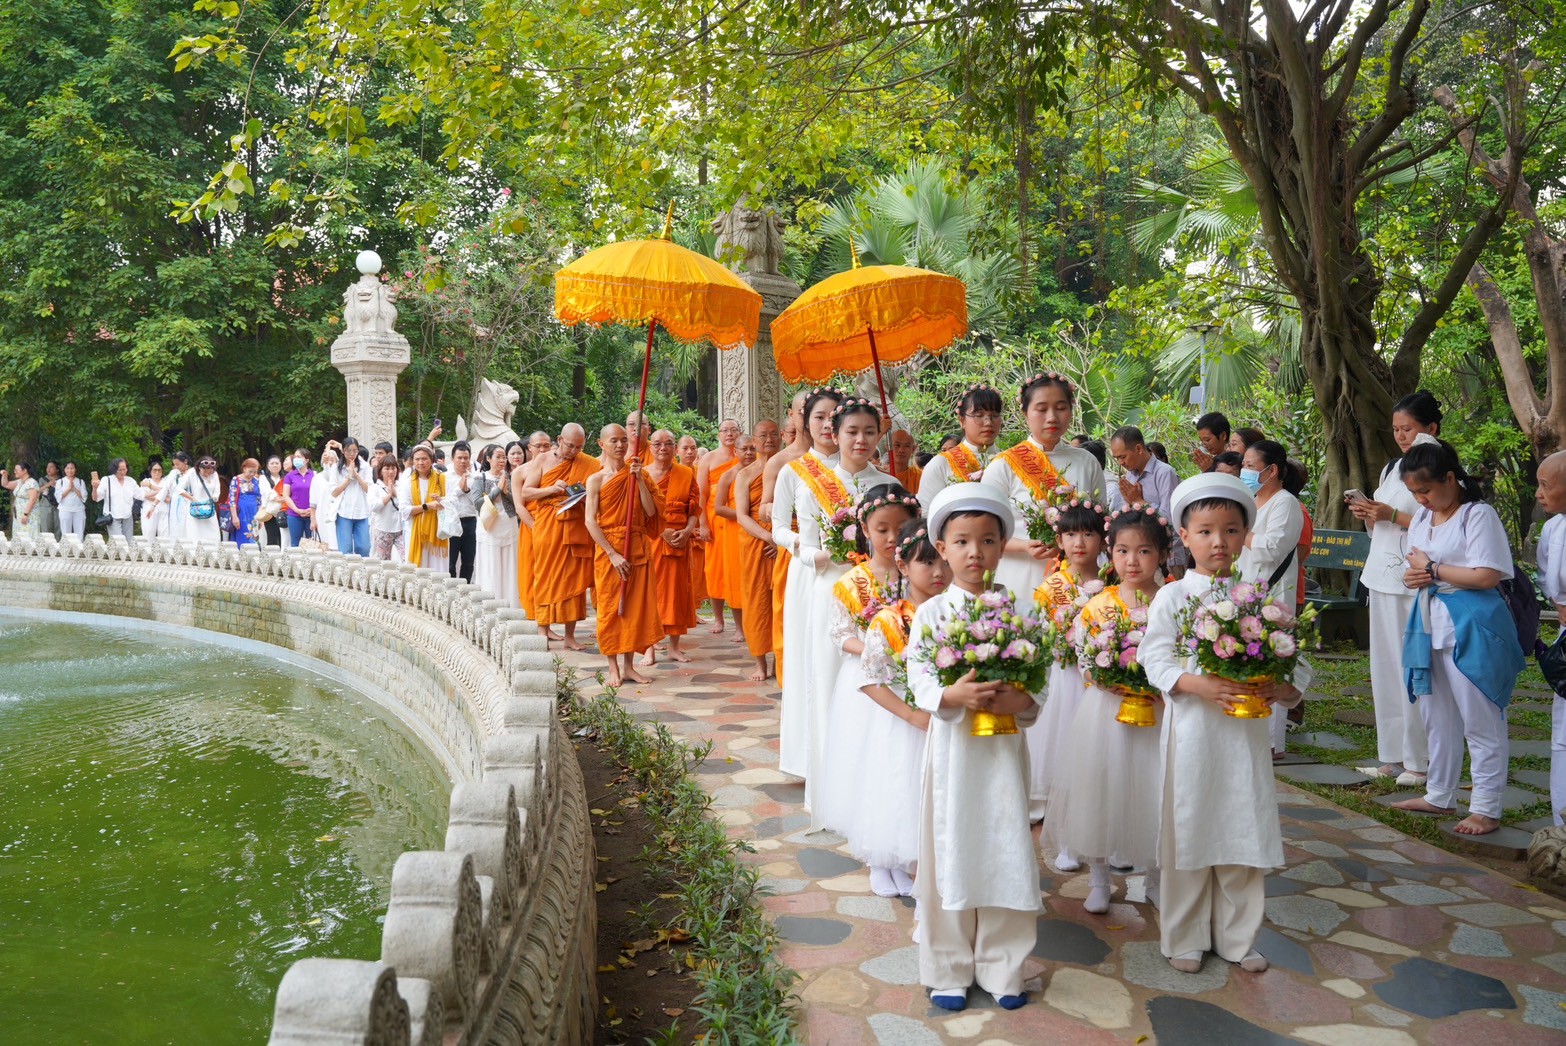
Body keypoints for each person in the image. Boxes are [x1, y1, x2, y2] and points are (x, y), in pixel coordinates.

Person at [1140, 472, 1306, 974]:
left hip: (1244, 738)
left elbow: (1294, 661)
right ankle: (1185, 935)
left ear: (1244, 536)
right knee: (1190, 826)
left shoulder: (1259, 598)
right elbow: (1155, 659)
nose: (1219, 541)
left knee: (1242, 826)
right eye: (1207, 531)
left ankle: (1237, 936)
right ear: (1184, 537)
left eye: (1231, 530)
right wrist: (1196, 685)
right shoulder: (1172, 597)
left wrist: (1283, 688)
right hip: (1193, 735)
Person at [905, 482, 1042, 1012]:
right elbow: (917, 672)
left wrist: (1022, 701)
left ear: (1002, 545)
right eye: (961, 541)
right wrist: (948, 693)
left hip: (1003, 752)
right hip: (954, 755)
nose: (974, 553)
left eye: (988, 541)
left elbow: (1039, 674)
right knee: (951, 848)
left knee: (1006, 846)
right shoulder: (931, 615)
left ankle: (1004, 964)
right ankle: (949, 965)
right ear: (941, 548)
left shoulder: (1021, 611)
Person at [1389, 440, 1524, 836]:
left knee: (1480, 717)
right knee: (1436, 714)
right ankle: (1439, 793)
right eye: (1414, 493)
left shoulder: (1476, 516)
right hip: (1429, 622)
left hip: (1474, 623)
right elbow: (1414, 569)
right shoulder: (1420, 519)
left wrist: (1431, 569)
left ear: (1450, 478)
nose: (1421, 500)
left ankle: (1486, 806)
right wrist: (1416, 575)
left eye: (1426, 491)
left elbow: (1486, 575)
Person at [1045, 504, 1169, 914]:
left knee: (1156, 791)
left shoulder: (1171, 602)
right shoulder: (1098, 603)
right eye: (1122, 551)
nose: (1132, 561)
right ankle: (1099, 879)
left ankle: (1155, 877)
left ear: (1163, 554)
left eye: (1144, 551)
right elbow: (1085, 659)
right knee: (1100, 790)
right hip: (1105, 713)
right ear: (1110, 553)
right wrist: (1115, 681)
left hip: (1158, 713)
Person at [829, 519, 944, 894]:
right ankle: (882, 860)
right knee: (894, 784)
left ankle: (916, 860)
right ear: (904, 566)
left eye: (943, 562)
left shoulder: (956, 615)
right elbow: (868, 678)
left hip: (941, 719)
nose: (938, 572)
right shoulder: (889, 619)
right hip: (900, 719)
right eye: (926, 563)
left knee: (927, 790)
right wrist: (910, 714)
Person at [817, 484, 920, 881]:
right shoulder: (850, 582)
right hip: (868, 685)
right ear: (864, 528)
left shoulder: (920, 573)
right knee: (870, 768)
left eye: (901, 528)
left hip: (911, 681)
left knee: (903, 770)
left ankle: (903, 851)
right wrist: (882, 650)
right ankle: (877, 858)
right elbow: (840, 635)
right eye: (882, 529)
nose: (893, 537)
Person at [1346, 392, 1440, 785]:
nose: (1402, 436)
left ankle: (1419, 760)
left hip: (1413, 578)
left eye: (1409, 428)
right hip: (1381, 574)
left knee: (1412, 667)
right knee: (1383, 667)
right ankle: (1392, 755)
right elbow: (1382, 524)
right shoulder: (1392, 467)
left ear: (1431, 428)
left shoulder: (1438, 462)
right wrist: (1371, 514)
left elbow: (1436, 517)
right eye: (1397, 429)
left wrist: (1393, 515)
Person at [769, 388, 862, 785]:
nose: (827, 425)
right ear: (804, 422)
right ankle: (812, 758)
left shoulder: (864, 472)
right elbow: (776, 527)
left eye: (833, 418)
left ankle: (856, 750)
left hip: (861, 576)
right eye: (819, 417)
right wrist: (804, 552)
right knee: (815, 660)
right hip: (813, 576)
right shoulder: (794, 470)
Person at [982, 372, 1106, 598]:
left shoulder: (1087, 462)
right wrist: (1023, 546)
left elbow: (1101, 524)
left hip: (1079, 580)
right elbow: (981, 533)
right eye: (1041, 409)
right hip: (1019, 577)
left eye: (1060, 408)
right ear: (1025, 413)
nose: (1052, 417)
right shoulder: (1002, 466)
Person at [1028, 501, 1109, 840]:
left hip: (1100, 680)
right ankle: (1048, 803)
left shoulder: (1113, 582)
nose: (1079, 543)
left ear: (1103, 540)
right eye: (1071, 534)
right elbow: (1039, 633)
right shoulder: (1051, 586)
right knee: (1059, 739)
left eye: (1088, 534)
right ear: (1059, 541)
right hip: (1064, 676)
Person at [1237, 439, 1305, 758]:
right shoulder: (1251, 501)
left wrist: (1240, 533)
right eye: (1244, 464)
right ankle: (1251, 733)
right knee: (1249, 661)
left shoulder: (1285, 503)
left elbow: (1273, 548)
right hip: (1244, 594)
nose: (1244, 471)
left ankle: (1273, 743)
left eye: (1250, 466)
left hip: (1273, 597)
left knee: (1273, 665)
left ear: (1272, 470)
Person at [584, 424, 665, 687]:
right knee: (610, 608)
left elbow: (651, 512)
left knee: (633, 609)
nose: (619, 445)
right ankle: (612, 668)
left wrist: (639, 479)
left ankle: (629, 667)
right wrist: (612, 554)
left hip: (637, 547)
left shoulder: (637, 474)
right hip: (610, 551)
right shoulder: (595, 479)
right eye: (613, 441)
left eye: (623, 440)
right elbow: (590, 522)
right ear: (601, 444)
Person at [520, 423, 600, 649]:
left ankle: (570, 636)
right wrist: (552, 489)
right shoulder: (543, 460)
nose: (574, 451)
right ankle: (542, 629)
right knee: (546, 577)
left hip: (575, 525)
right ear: (560, 440)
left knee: (573, 580)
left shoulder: (589, 463)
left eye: (579, 447)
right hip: (548, 524)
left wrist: (584, 496)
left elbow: (597, 493)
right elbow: (527, 492)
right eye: (570, 446)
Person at [762, 392, 813, 680]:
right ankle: (791, 677)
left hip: (833, 550)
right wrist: (783, 508)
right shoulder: (781, 461)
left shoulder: (839, 457)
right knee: (791, 617)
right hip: (794, 548)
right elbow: (763, 508)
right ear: (792, 416)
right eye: (803, 411)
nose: (808, 417)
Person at [642, 429, 700, 664]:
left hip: (680, 540)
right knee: (649, 593)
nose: (662, 448)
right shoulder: (642, 475)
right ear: (651, 448)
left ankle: (674, 647)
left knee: (677, 592)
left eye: (668, 444)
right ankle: (649, 647)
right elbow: (638, 512)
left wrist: (687, 532)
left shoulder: (686, 473)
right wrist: (662, 531)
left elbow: (694, 509)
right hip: (652, 540)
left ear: (675, 448)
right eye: (657, 444)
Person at [733, 421, 782, 681]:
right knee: (756, 602)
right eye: (763, 435)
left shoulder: (791, 468)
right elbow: (742, 515)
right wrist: (768, 537)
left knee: (781, 601)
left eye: (774, 434)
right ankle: (760, 663)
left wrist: (782, 539)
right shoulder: (745, 474)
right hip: (756, 542)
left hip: (784, 542)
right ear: (755, 439)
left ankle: (779, 659)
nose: (769, 440)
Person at [1533, 449, 1566, 827]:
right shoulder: (1553, 528)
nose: (1539, 493)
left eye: (1546, 485)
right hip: (1564, 630)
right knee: (1562, 729)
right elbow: (1545, 574)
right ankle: (1561, 820)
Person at [917, 384, 1002, 509]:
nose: (988, 422)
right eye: (978, 416)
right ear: (962, 421)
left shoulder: (1009, 461)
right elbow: (926, 513)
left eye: (994, 416)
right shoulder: (940, 464)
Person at [697, 419, 743, 634]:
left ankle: (740, 624)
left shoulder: (746, 456)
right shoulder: (709, 458)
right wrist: (703, 522)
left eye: (734, 430)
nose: (729, 434)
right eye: (725, 430)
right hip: (715, 519)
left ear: (740, 432)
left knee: (736, 569)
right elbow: (701, 493)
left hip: (737, 519)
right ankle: (718, 619)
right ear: (718, 434)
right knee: (715, 570)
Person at [713, 434, 758, 642]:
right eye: (744, 449)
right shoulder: (728, 475)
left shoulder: (763, 472)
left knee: (755, 579)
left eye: (752, 448)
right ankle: (739, 627)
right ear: (736, 452)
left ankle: (756, 625)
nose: (749, 453)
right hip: (734, 531)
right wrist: (743, 514)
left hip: (757, 529)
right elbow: (719, 507)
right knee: (736, 579)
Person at [472, 443, 520, 608]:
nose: (502, 460)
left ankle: (511, 605)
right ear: (488, 458)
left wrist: (506, 491)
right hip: (489, 526)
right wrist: (497, 490)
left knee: (510, 565)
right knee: (490, 565)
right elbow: (477, 504)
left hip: (509, 524)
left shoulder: (511, 476)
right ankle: (490, 605)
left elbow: (519, 503)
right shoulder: (479, 478)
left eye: (503, 457)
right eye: (498, 457)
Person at [512, 432, 552, 617]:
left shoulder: (554, 468)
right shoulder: (520, 471)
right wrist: (536, 527)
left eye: (547, 445)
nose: (543, 449)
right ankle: (532, 618)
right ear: (529, 448)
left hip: (553, 526)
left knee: (549, 574)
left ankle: (547, 621)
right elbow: (519, 506)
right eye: (539, 446)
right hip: (531, 526)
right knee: (530, 573)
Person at [399, 445, 449, 572]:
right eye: (417, 459)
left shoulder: (442, 479)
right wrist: (427, 506)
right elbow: (404, 510)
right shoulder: (407, 482)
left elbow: (452, 502)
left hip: (437, 532)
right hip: (415, 531)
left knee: (437, 571)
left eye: (424, 459)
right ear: (413, 461)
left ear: (432, 460)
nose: (420, 462)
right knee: (417, 571)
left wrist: (441, 501)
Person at [330, 437, 374, 556]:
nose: (352, 454)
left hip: (362, 512)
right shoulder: (336, 468)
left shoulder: (365, 466)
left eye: (355, 451)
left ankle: (363, 572)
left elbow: (369, 489)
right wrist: (349, 477)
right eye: (348, 451)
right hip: (343, 512)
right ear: (343, 451)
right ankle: (347, 573)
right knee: (346, 548)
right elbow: (334, 492)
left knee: (364, 547)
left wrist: (357, 475)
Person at [442, 441, 479, 581]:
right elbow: (444, 500)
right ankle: (451, 591)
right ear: (453, 459)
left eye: (466, 458)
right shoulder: (444, 477)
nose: (463, 461)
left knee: (468, 562)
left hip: (470, 521)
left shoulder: (475, 477)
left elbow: (477, 502)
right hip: (451, 521)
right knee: (450, 562)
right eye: (460, 458)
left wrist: (467, 490)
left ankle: (466, 591)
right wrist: (459, 490)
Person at [178, 455, 224, 544]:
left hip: (209, 508)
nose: (207, 473)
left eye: (210, 471)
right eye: (205, 470)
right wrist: (192, 498)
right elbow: (179, 489)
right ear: (199, 467)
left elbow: (217, 491)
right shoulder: (192, 473)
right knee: (195, 534)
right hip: (195, 508)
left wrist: (213, 498)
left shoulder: (214, 474)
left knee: (212, 533)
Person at [92, 458, 141, 541]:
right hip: (113, 516)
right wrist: (94, 488)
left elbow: (141, 495)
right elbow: (96, 498)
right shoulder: (107, 480)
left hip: (127, 516)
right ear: (114, 469)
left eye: (124, 469)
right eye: (120, 470)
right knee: (118, 543)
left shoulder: (130, 481)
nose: (122, 472)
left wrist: (157, 492)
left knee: (129, 542)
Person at [370, 457, 405, 561]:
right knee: (384, 562)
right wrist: (389, 495)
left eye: (393, 468)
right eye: (387, 468)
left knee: (405, 558)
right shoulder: (375, 488)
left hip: (401, 530)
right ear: (380, 471)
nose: (390, 471)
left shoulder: (401, 486)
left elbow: (406, 505)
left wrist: (396, 493)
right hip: (383, 530)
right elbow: (374, 507)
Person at [280, 449, 315, 548]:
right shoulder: (289, 476)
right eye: (295, 457)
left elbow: (318, 496)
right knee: (295, 544)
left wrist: (311, 510)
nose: (296, 459)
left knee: (312, 544)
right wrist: (297, 510)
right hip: (294, 515)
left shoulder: (314, 475)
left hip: (311, 515)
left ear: (307, 460)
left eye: (299, 457)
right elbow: (286, 495)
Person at [229, 459, 267, 547]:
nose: (252, 474)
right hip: (241, 513)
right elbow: (232, 500)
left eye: (255, 472)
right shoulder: (236, 480)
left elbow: (259, 500)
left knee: (255, 535)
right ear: (244, 468)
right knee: (242, 534)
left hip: (254, 513)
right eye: (250, 471)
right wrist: (234, 517)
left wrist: (261, 519)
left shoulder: (256, 481)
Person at [310, 446, 343, 550]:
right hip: (322, 515)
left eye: (332, 460)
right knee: (324, 543)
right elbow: (313, 501)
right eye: (327, 460)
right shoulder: (317, 478)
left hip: (339, 514)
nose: (329, 462)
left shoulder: (341, 477)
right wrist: (313, 519)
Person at [160, 453, 192, 542]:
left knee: (187, 526)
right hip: (175, 504)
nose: (176, 466)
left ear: (185, 462)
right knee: (176, 526)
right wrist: (154, 504)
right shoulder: (174, 473)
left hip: (188, 502)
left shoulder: (192, 473)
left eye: (178, 464)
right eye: (174, 464)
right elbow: (164, 488)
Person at [3, 463, 40, 538]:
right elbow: (5, 484)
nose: (14, 472)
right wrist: (4, 475)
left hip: (29, 515)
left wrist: (26, 514)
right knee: (19, 535)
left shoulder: (32, 482)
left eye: (16, 470)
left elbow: (32, 499)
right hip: (18, 514)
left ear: (25, 471)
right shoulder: (19, 482)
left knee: (29, 535)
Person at [55, 461, 87, 540]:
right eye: (68, 468)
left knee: (79, 532)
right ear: (64, 470)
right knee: (65, 532)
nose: (70, 470)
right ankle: (66, 550)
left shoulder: (80, 481)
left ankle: (79, 550)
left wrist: (74, 488)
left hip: (79, 509)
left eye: (72, 468)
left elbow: (84, 496)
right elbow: (59, 497)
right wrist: (69, 488)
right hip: (64, 509)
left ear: (75, 470)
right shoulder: (60, 482)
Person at [139, 461, 169, 539]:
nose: (157, 472)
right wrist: (162, 493)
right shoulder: (146, 481)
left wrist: (151, 487)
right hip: (148, 509)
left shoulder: (166, 482)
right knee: (148, 533)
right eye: (154, 470)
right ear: (150, 471)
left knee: (164, 535)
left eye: (159, 470)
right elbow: (145, 496)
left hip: (164, 510)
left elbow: (169, 499)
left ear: (162, 471)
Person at [261, 455, 286, 547]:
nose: (275, 465)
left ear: (281, 465)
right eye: (272, 463)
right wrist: (282, 498)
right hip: (270, 512)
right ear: (268, 466)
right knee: (271, 538)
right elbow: (268, 493)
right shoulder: (263, 478)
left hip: (284, 511)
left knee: (284, 538)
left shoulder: (286, 478)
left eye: (277, 463)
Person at [889, 429, 922, 493]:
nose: (901, 450)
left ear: (913, 449)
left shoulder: (920, 476)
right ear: (888, 447)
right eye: (897, 445)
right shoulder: (881, 474)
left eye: (907, 446)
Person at [36, 461, 61, 537]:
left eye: (51, 467)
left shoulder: (62, 480)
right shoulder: (42, 479)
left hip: (59, 506)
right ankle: (46, 546)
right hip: (45, 506)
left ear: (57, 469)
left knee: (58, 527)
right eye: (47, 467)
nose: (48, 469)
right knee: (46, 527)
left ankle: (57, 545)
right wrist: (48, 484)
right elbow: (37, 491)